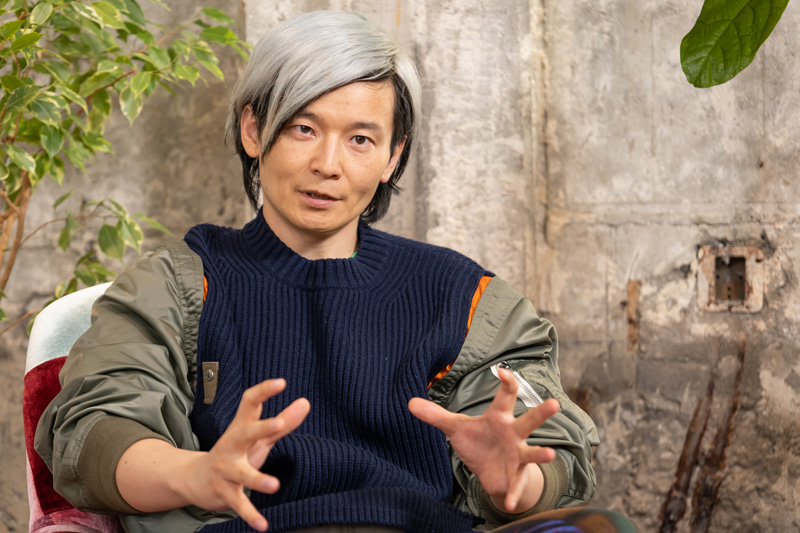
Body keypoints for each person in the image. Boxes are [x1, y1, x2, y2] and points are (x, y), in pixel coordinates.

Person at [35, 10, 634, 533]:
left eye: (361, 140)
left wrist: (516, 483)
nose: (328, 164)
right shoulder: (177, 285)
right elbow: (95, 427)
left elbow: (546, 448)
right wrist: (196, 473)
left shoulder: (465, 299)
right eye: (304, 128)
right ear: (253, 130)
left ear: (393, 155)